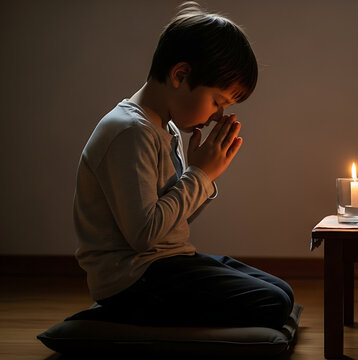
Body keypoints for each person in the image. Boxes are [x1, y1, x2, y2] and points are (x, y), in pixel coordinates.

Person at [73, 2, 294, 330]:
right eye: (218, 101)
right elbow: (144, 235)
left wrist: (205, 174)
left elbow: (175, 218)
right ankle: (136, 320)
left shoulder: (168, 127)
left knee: (282, 291)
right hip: (133, 281)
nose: (219, 114)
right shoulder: (130, 131)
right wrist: (200, 175)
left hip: (167, 263)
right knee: (272, 302)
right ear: (180, 75)